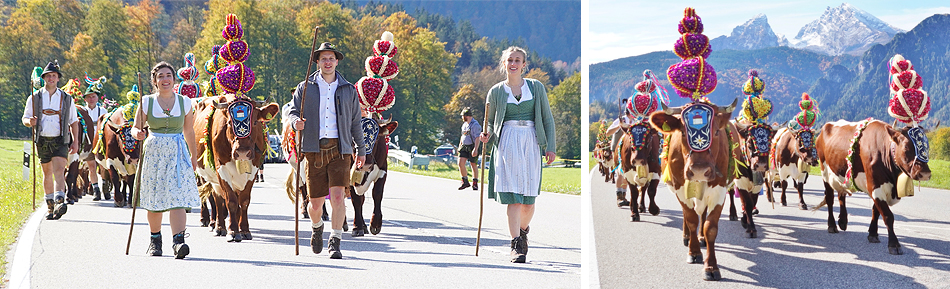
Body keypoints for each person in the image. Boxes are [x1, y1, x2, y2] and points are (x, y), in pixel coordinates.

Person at [286, 42, 365, 259]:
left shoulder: (348, 89)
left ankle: (335, 240)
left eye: (331, 58)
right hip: (313, 149)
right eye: (323, 59)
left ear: (337, 61)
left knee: (338, 196)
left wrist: (361, 150)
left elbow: (356, 122)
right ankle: (317, 226)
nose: (327, 62)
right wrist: (296, 123)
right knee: (315, 203)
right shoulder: (305, 87)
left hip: (341, 150)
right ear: (318, 62)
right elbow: (292, 112)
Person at [479, 47, 556, 263]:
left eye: (517, 60)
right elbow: (492, 125)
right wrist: (486, 137)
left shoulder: (536, 87)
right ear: (504, 64)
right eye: (510, 60)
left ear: (524, 64)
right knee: (513, 198)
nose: (513, 63)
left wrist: (550, 146)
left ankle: (523, 231)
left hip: (531, 141)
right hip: (507, 144)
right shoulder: (496, 91)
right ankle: (516, 245)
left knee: (528, 202)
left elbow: (547, 119)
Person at [131, 62, 200, 259]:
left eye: (168, 75)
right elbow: (135, 128)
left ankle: (179, 242)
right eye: (160, 76)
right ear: (154, 81)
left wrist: (193, 156)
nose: (165, 79)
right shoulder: (146, 102)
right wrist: (138, 134)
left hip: (178, 152)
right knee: (155, 198)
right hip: (153, 152)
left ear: (174, 79)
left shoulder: (185, 102)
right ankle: (155, 241)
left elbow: (189, 131)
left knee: (178, 196)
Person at [22, 61, 80, 220]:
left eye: (54, 76)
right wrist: (30, 122)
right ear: (44, 78)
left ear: (58, 78)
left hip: (60, 139)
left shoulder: (67, 98)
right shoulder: (34, 98)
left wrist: (75, 142)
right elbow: (25, 118)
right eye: (48, 76)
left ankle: (60, 201)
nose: (51, 78)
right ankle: (50, 206)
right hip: (42, 140)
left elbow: (74, 121)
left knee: (59, 169)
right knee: (47, 172)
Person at [82, 76, 108, 200]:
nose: (91, 99)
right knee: (91, 167)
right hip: (87, 142)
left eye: (93, 96)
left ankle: (105, 185)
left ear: (97, 98)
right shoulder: (83, 111)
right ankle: (96, 189)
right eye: (89, 97)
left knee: (103, 166)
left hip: (100, 142)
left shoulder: (102, 110)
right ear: (85, 99)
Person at [456, 107, 482, 190]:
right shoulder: (464, 125)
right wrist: (460, 145)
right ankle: (465, 181)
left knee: (473, 164)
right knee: (460, 163)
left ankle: (475, 182)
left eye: (463, 116)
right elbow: (462, 135)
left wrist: (475, 149)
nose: (462, 117)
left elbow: (477, 138)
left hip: (472, 146)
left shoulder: (475, 125)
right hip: (464, 146)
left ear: (467, 115)